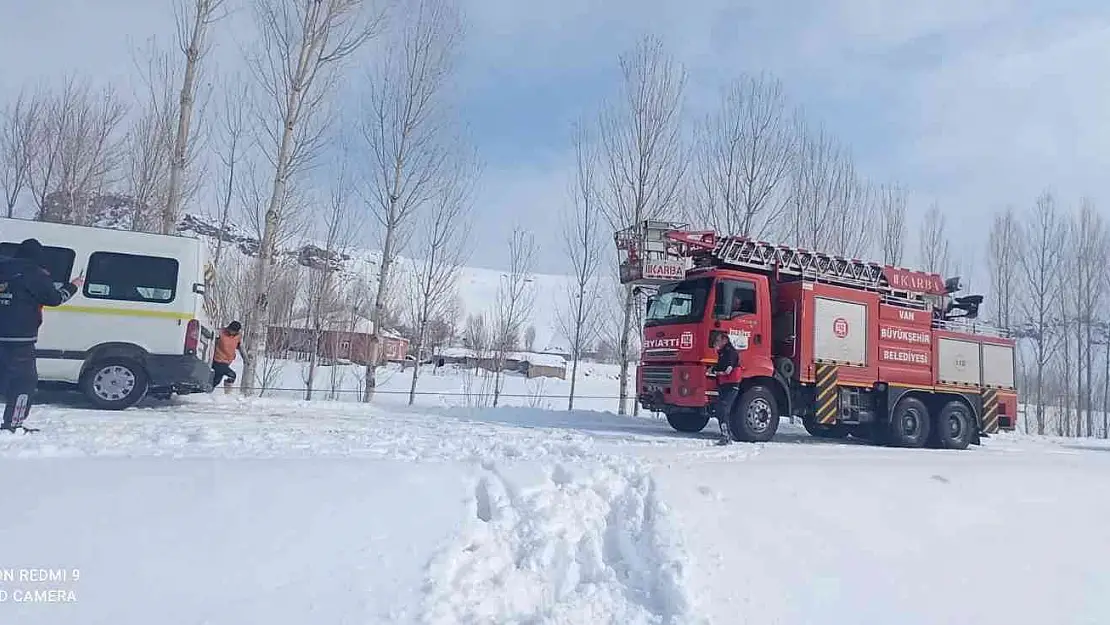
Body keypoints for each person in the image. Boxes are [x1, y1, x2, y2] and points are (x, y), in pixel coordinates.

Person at [0, 238, 84, 432]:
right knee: (23, 382)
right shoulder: (34, 274)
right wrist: (73, 286)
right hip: (20, 340)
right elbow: (54, 299)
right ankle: (13, 425)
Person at [709, 331, 742, 445]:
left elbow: (728, 369)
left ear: (725, 340)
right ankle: (725, 435)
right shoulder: (722, 353)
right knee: (719, 409)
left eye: (718, 340)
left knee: (723, 408)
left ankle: (726, 436)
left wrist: (716, 371)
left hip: (732, 385)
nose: (716, 343)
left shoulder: (730, 352)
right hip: (724, 385)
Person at [212, 321, 248, 394]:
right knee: (232, 375)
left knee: (216, 381)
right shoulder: (220, 333)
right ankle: (228, 395)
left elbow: (241, 348)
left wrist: (245, 358)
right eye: (231, 329)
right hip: (217, 360)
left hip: (227, 362)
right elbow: (212, 341)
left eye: (234, 331)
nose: (231, 332)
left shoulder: (238, 337)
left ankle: (204, 392)